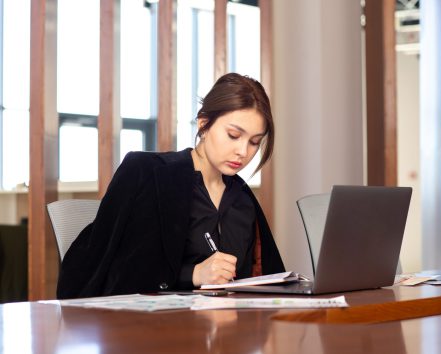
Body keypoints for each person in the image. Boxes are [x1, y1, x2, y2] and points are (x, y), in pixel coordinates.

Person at [57, 73, 285, 299]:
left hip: (228, 328)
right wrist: (193, 274)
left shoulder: (243, 200)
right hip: (154, 327)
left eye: (255, 142)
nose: (243, 152)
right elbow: (116, 272)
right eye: (233, 135)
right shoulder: (148, 174)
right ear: (204, 124)